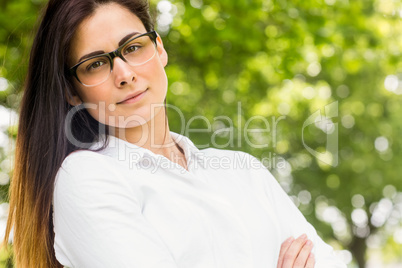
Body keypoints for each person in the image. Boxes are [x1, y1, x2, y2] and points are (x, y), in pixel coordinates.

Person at [2, 0, 347, 267]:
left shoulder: (244, 170)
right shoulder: (87, 177)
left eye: (133, 47)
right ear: (72, 92)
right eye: (95, 64)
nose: (123, 73)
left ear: (160, 49)